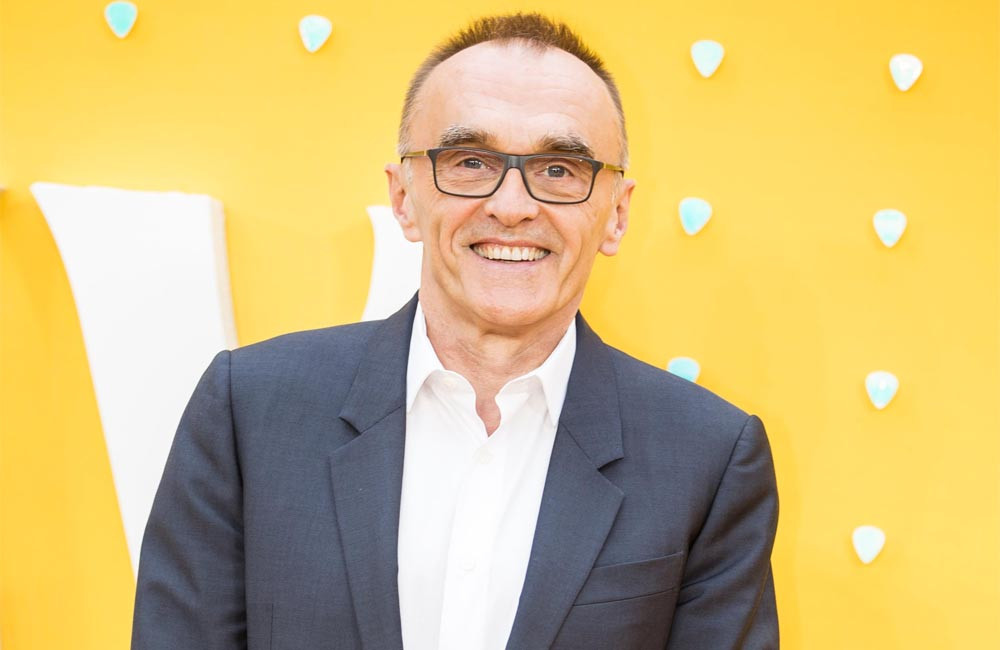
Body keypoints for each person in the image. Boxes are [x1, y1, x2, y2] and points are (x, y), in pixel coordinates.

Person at [131, 12, 779, 650]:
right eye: (470, 161)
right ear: (404, 197)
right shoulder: (248, 411)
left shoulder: (710, 458)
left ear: (616, 214)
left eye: (559, 170)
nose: (512, 206)